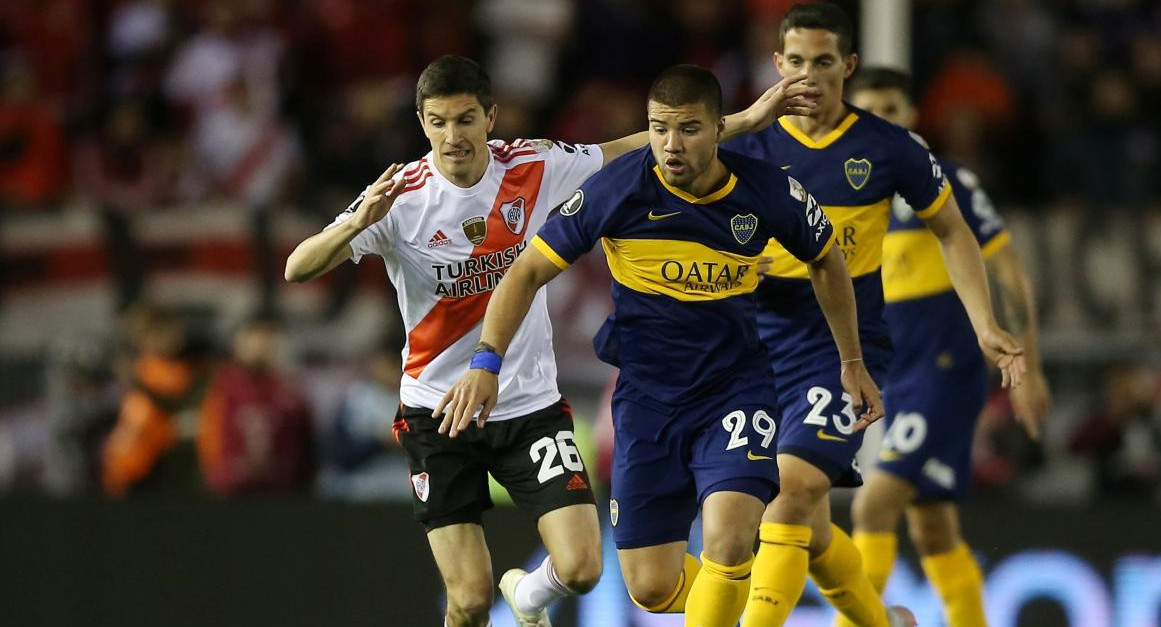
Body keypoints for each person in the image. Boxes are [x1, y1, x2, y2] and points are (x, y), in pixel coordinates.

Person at [284, 55, 815, 627]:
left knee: (585, 567)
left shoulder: (534, 165)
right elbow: (297, 267)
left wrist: (742, 121)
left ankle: (532, 596)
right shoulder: (398, 195)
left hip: (527, 405)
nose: (452, 136)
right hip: (438, 413)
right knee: (466, 600)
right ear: (422, 123)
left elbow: (632, 147)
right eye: (438, 122)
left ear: (490, 116)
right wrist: (356, 222)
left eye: (465, 119)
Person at [436, 64, 879, 627]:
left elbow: (827, 259)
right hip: (647, 404)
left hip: (734, 393)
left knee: (729, 540)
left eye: (688, 129)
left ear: (719, 128)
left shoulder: (768, 192)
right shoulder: (618, 190)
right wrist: (486, 362)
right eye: (658, 128)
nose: (670, 145)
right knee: (650, 588)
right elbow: (523, 274)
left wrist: (852, 360)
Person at [722, 4, 1027, 627]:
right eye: (797, 62)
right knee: (788, 514)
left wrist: (985, 323)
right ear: (778, 64)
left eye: (824, 62)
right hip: (753, 341)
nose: (809, 77)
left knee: (795, 490)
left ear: (848, 66)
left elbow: (952, 230)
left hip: (842, 347)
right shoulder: (745, 145)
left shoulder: (887, 148)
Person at [843, 65, 1052, 627]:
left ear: (912, 115)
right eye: (868, 111)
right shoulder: (849, 191)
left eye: (891, 109)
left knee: (874, 503)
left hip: (945, 371)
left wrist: (1029, 364)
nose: (880, 122)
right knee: (933, 524)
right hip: (897, 377)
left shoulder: (943, 181)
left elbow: (1006, 266)